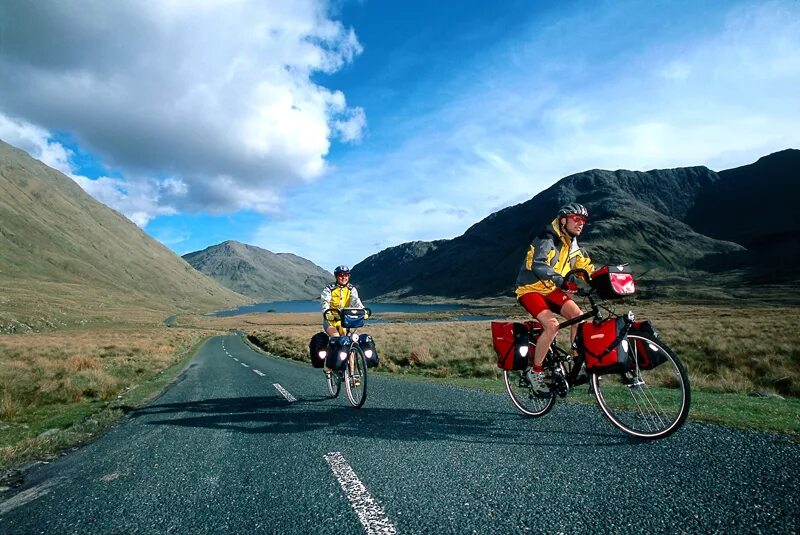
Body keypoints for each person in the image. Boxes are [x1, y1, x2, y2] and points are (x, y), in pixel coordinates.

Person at [514, 203, 595, 396]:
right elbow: (538, 265)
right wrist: (562, 281)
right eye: (576, 218)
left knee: (579, 317)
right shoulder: (547, 238)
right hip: (530, 289)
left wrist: (599, 278)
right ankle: (536, 372)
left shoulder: (571, 243)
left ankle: (577, 365)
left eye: (583, 220)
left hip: (550, 288)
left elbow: (583, 266)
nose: (580, 223)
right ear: (564, 219)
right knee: (552, 326)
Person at [320, 265, 365, 380]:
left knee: (350, 344)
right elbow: (325, 302)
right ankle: (328, 365)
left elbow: (356, 301)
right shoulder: (329, 289)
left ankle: (352, 374)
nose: (343, 277)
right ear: (336, 276)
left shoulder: (351, 289)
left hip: (345, 321)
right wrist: (327, 312)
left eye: (346, 275)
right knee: (335, 337)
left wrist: (363, 311)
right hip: (331, 321)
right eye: (341, 275)